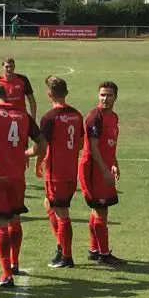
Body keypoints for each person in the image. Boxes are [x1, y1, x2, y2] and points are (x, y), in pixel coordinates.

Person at [0, 81, 45, 287]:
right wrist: (25, 153)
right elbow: (42, 143)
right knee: (15, 218)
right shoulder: (22, 114)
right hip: (17, 176)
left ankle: (6, 274)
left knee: (0, 223)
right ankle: (15, 263)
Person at [40, 76, 84, 269]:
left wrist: (24, 154)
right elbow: (80, 143)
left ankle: (67, 256)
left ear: (49, 93)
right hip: (70, 170)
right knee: (48, 205)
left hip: (56, 173)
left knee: (62, 213)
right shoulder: (76, 115)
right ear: (66, 93)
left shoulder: (49, 118)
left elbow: (41, 146)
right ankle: (60, 246)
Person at [79, 81, 125, 267]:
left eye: (109, 95)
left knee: (97, 209)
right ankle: (104, 255)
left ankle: (94, 249)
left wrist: (114, 164)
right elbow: (93, 147)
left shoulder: (113, 117)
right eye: (102, 95)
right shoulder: (94, 117)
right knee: (101, 210)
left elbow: (109, 144)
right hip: (93, 169)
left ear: (116, 97)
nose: (105, 98)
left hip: (103, 168)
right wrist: (104, 170)